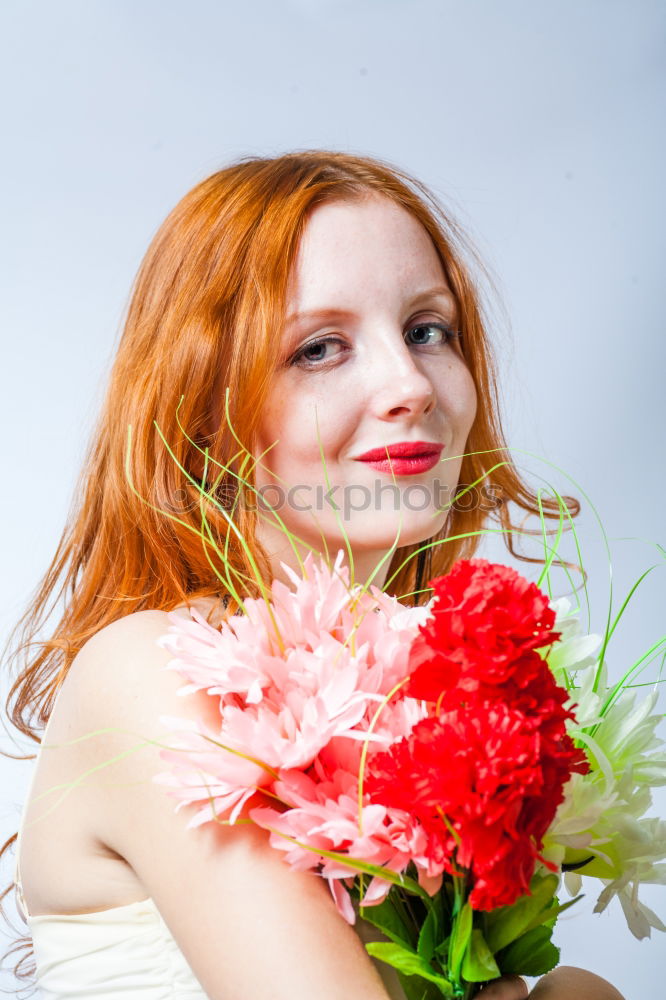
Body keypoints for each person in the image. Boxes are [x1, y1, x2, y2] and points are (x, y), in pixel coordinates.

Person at [1, 150, 626, 999]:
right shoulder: (151, 672)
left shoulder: (437, 710)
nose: (409, 383)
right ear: (200, 401)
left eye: (427, 330)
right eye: (321, 347)